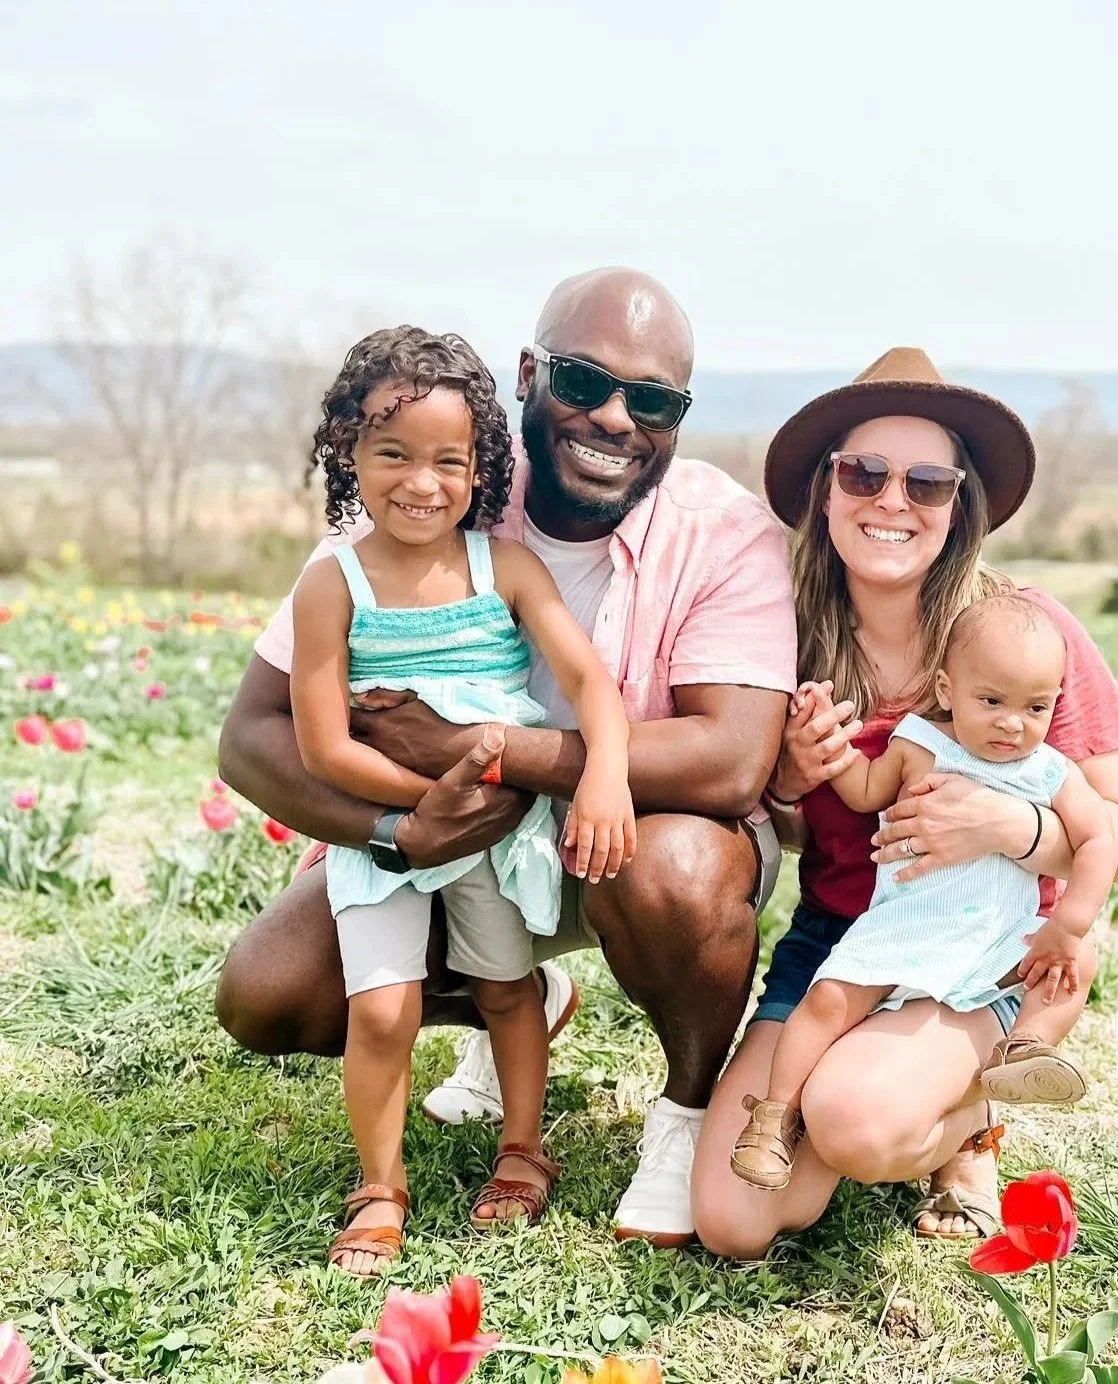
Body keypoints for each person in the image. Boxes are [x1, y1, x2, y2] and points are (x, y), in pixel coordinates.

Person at [215, 269, 797, 1248]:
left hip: (630, 840)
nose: (614, 417)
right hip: (445, 838)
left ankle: (683, 1115)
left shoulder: (723, 530)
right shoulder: (442, 483)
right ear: (528, 375)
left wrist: (488, 751)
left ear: (677, 418)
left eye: (651, 400)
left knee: (677, 874)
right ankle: (514, 1000)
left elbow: (733, 760)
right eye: (583, 382)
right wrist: (395, 825)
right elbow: (253, 735)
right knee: (269, 993)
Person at [692, 347, 1118, 1257]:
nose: (892, 500)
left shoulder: (1026, 634)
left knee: (856, 1125)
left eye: (927, 481)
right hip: (842, 946)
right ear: (826, 492)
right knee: (734, 1221)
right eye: (863, 472)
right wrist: (788, 775)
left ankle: (971, 1129)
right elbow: (789, 830)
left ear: (959, 505)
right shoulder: (780, 634)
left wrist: (1013, 828)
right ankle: (898, 1107)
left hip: (979, 948)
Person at [288, 327, 634, 1271]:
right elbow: (323, 743)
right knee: (384, 1009)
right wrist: (423, 808)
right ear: (347, 451)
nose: (421, 482)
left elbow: (591, 683)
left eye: (449, 459)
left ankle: (524, 1148)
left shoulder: (505, 570)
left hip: (500, 829)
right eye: (392, 453)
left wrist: (602, 772)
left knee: (504, 989)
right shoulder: (334, 584)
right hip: (394, 833)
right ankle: (379, 1185)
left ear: (480, 464)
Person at [730, 594, 1117, 1191]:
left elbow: (1102, 840)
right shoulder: (918, 744)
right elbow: (864, 793)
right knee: (828, 1000)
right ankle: (776, 1113)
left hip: (990, 939)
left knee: (1073, 961)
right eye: (991, 702)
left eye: (1035, 707)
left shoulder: (1049, 771)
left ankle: (1026, 1048)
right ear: (947, 688)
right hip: (904, 927)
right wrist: (823, 754)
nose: (1012, 723)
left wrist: (1070, 920)